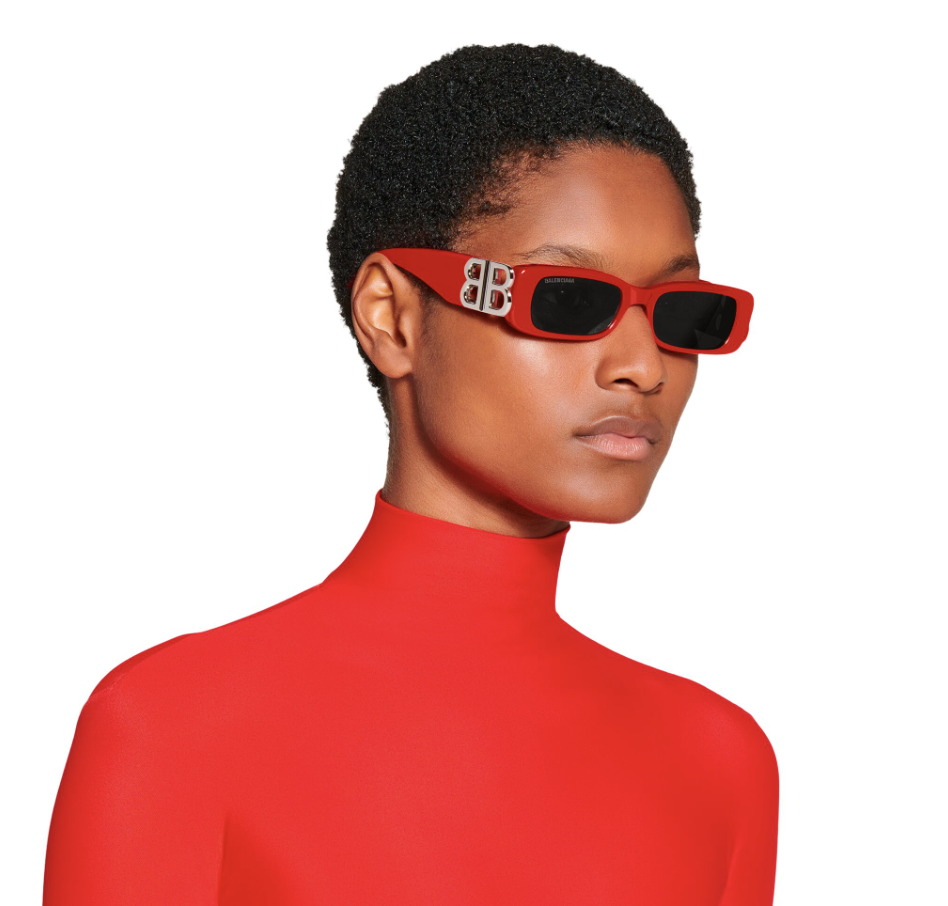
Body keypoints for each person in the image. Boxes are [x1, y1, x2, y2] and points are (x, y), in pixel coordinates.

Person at [43, 43, 778, 905]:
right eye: (567, 300)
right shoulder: (173, 727)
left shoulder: (719, 762)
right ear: (391, 317)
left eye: (683, 314)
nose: (643, 367)